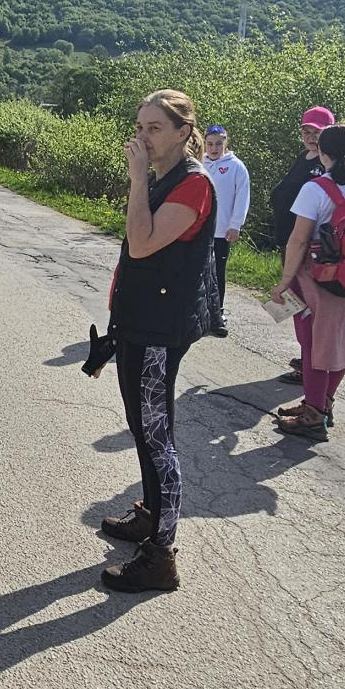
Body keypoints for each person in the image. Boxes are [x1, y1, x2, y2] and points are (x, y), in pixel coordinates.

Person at [98, 90, 216, 594]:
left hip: (159, 329)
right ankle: (151, 513)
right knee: (141, 425)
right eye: (139, 127)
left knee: (156, 434)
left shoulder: (193, 185)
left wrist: (137, 180)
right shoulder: (164, 178)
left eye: (154, 128)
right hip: (139, 320)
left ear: (183, 133)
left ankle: (161, 555)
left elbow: (143, 243)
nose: (142, 137)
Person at [267, 122, 345, 441]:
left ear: (322, 153)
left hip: (317, 277)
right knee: (338, 344)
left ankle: (313, 417)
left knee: (312, 346)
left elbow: (298, 240)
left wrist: (285, 281)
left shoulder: (315, 189)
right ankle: (322, 405)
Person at [201, 126, 250, 339]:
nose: (214, 148)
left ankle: (217, 312)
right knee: (196, 269)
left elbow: (242, 196)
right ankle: (197, 310)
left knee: (217, 271)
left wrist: (236, 224)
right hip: (200, 228)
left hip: (221, 230)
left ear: (226, 143)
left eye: (219, 144)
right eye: (210, 144)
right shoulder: (199, 163)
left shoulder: (236, 167)